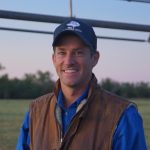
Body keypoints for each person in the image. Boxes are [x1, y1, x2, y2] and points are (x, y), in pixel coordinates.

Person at [16, 18, 147, 150]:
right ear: (54, 59)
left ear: (94, 58)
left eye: (78, 52)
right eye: (62, 52)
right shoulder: (36, 111)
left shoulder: (123, 116)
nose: (68, 61)